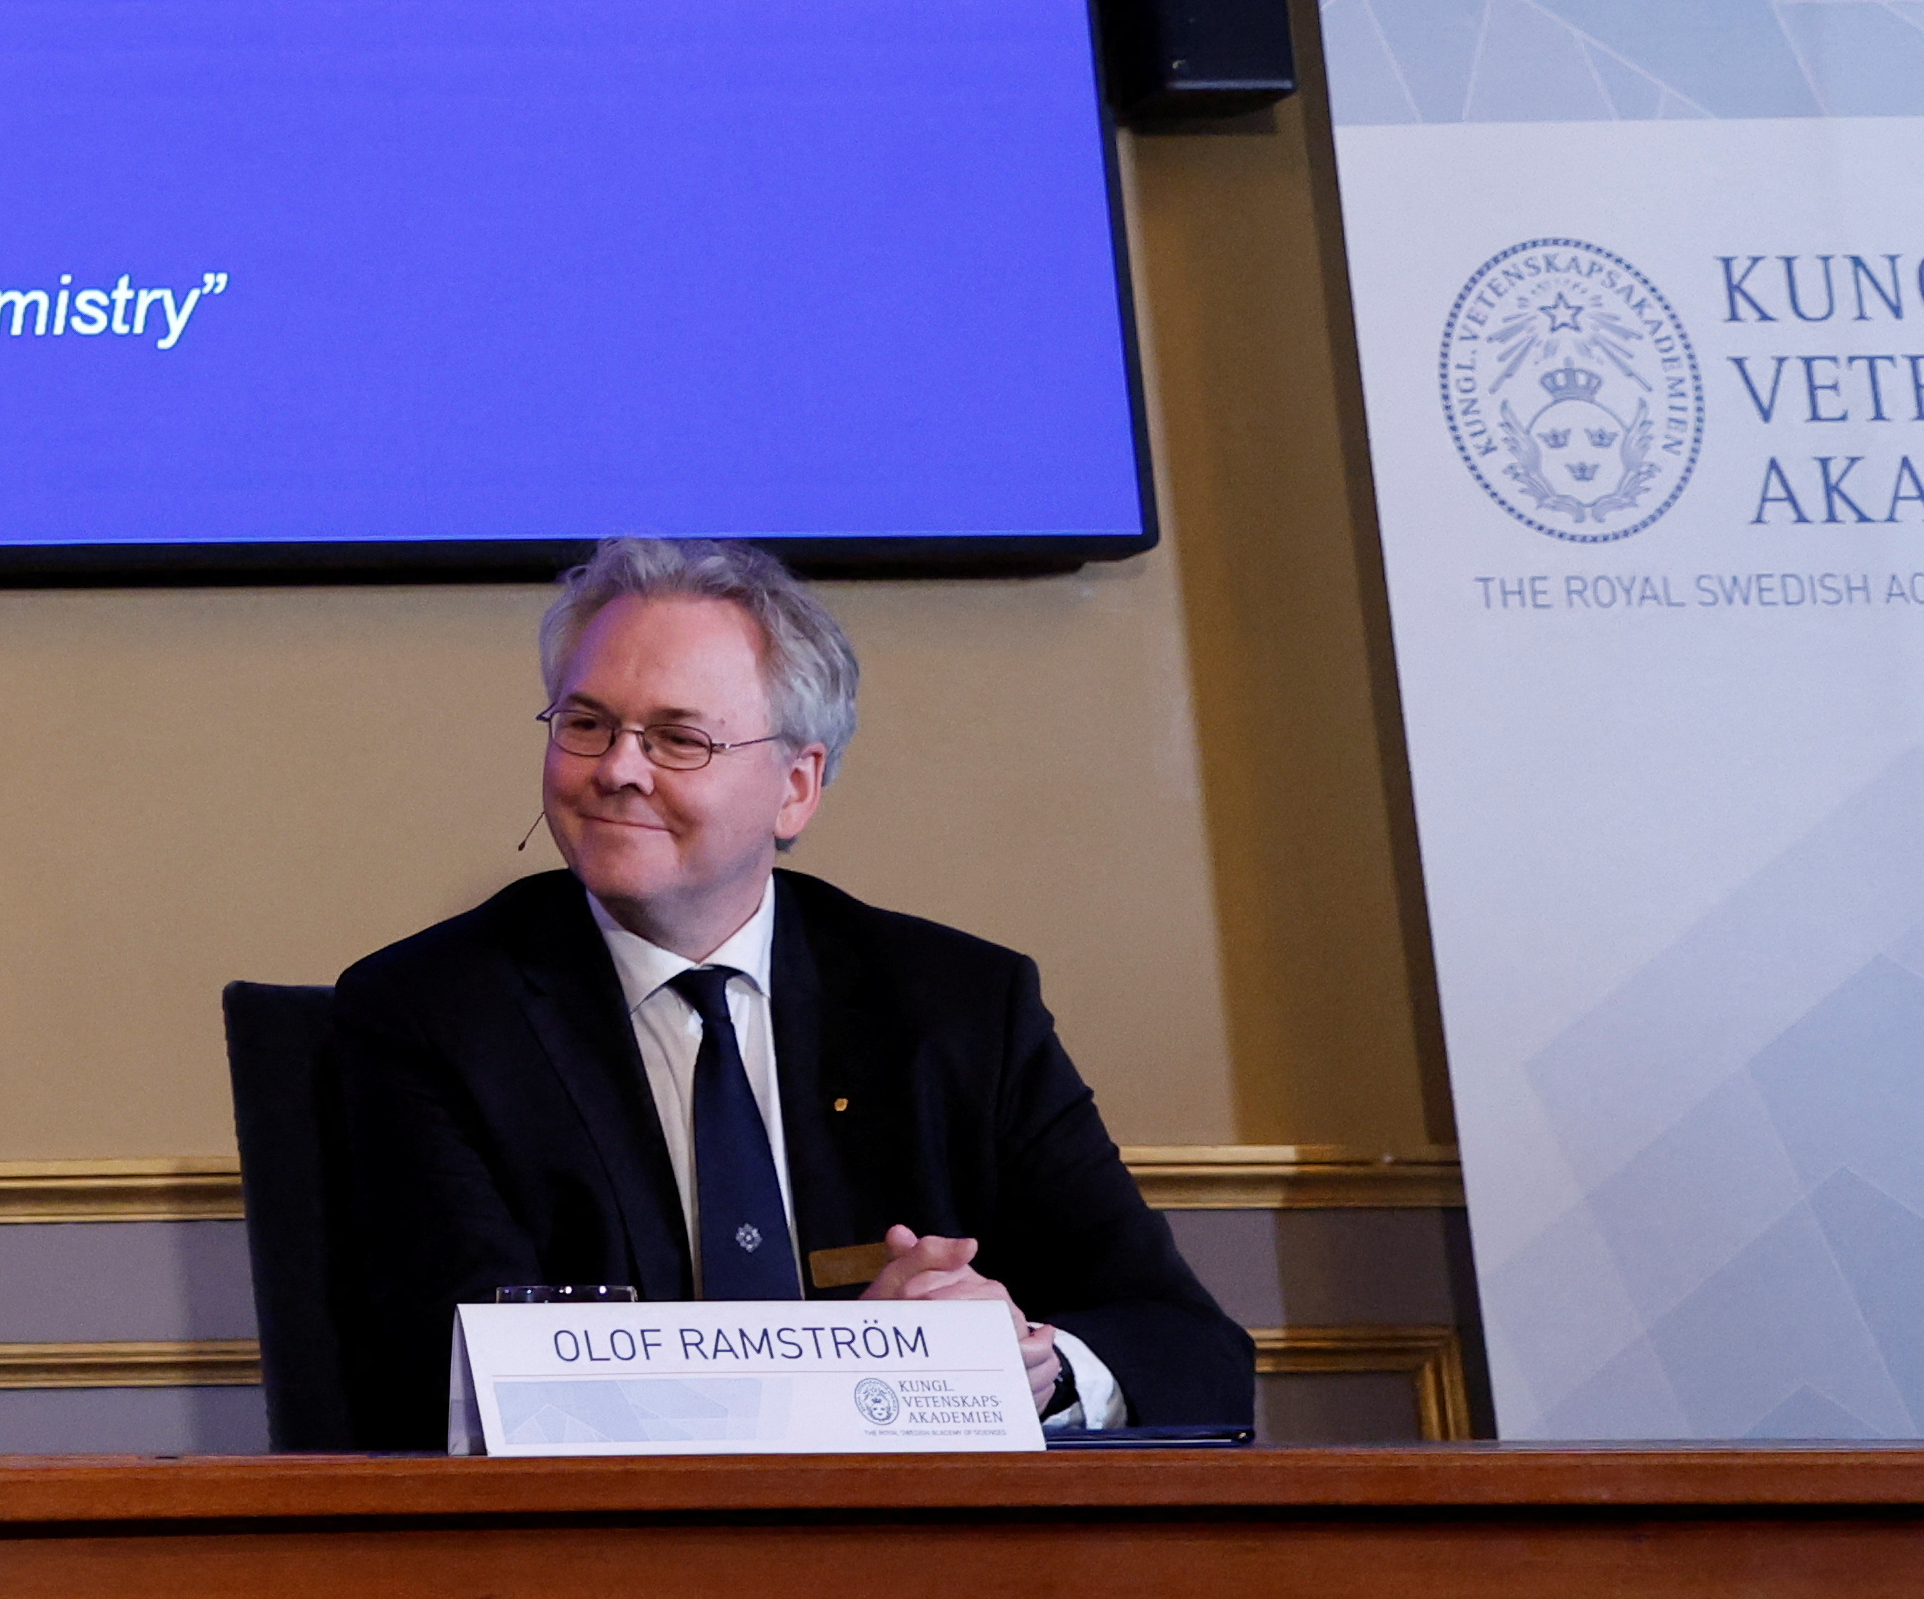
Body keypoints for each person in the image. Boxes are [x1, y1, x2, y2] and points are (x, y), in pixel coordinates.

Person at [323, 541, 1250, 1447]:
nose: (617, 769)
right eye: (587, 723)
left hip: (919, 1563)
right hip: (586, 1564)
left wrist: (1032, 1367)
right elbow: (466, 1380)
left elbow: (1193, 1350)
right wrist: (862, 1366)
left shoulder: (961, 1008)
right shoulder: (427, 1016)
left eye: (678, 738)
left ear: (796, 788)